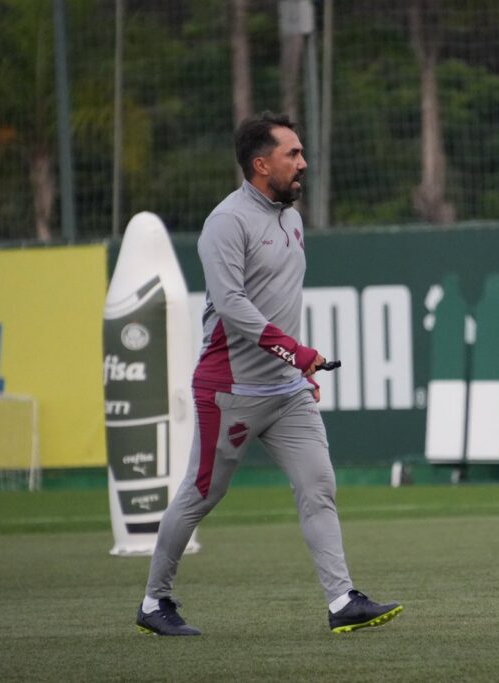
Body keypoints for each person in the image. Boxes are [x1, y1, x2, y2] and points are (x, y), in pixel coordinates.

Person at [135, 112, 403, 636]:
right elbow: (232, 305)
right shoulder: (226, 222)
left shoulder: (292, 219)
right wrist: (296, 353)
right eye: (293, 154)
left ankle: (342, 600)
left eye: (301, 153)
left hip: (287, 393)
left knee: (319, 486)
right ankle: (153, 602)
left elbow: (281, 305)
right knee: (202, 494)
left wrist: (299, 372)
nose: (303, 163)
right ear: (261, 164)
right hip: (229, 391)